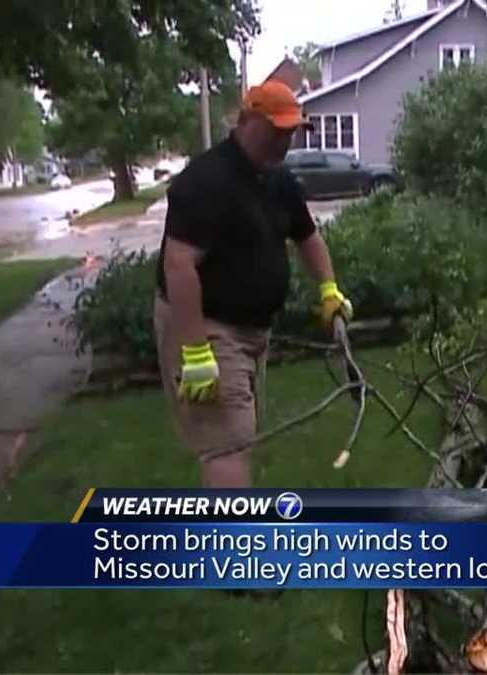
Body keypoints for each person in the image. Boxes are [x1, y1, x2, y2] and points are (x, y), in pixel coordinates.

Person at [154, 80, 352, 488]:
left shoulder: (278, 180)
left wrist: (329, 290)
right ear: (246, 121)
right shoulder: (206, 180)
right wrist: (195, 351)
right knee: (227, 443)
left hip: (251, 331)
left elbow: (308, 236)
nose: (285, 138)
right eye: (276, 129)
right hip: (207, 326)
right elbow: (178, 265)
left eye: (291, 130)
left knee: (239, 435)